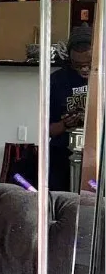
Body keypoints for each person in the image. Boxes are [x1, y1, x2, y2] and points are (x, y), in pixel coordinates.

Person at [48, 25, 91, 191]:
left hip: (97, 153)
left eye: (89, 63)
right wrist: (66, 124)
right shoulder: (58, 81)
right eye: (77, 65)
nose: (84, 69)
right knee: (61, 196)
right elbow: (48, 131)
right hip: (62, 152)